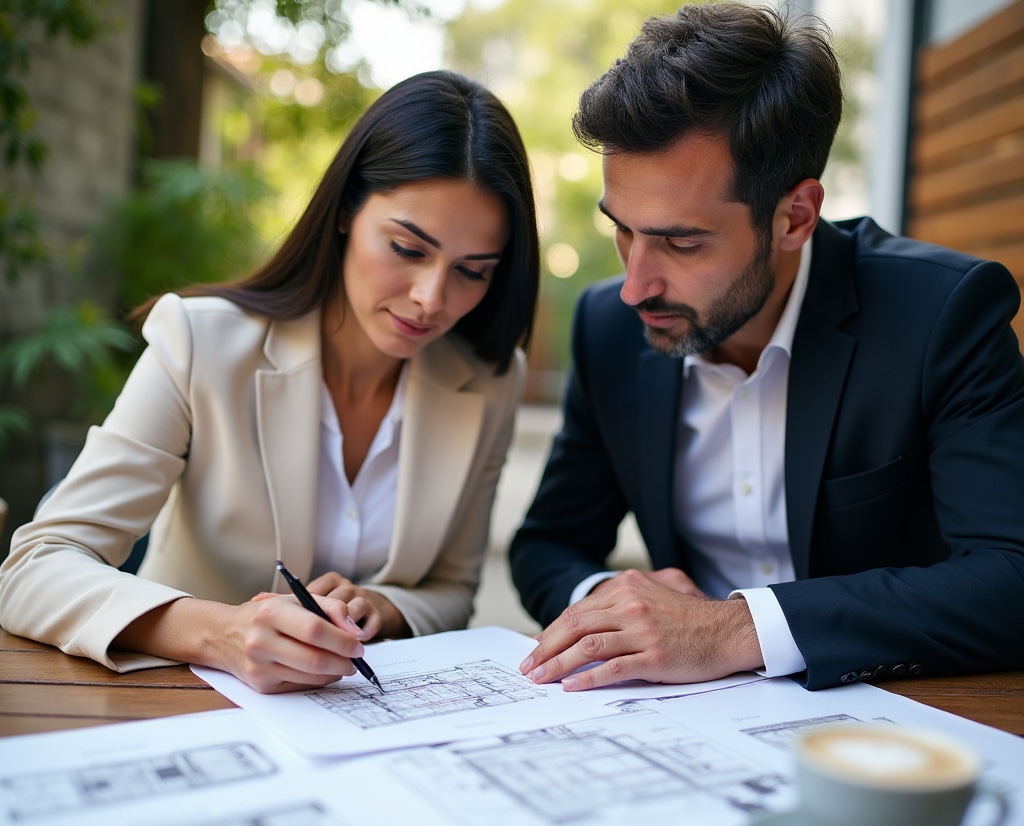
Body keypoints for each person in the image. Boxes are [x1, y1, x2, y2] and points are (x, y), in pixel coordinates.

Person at [511, 3, 1024, 693]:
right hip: (683, 722)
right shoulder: (607, 327)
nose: (634, 284)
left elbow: (1012, 575)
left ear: (795, 217)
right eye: (623, 230)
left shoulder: (939, 315)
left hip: (891, 721)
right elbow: (548, 544)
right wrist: (612, 607)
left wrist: (733, 630)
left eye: (681, 241)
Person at [0, 70, 539, 693]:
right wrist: (220, 632)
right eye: (407, 249)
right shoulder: (201, 342)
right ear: (344, 213)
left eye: (472, 271)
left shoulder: (490, 382)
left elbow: (452, 590)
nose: (431, 298)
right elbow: (35, 568)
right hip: (175, 703)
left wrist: (385, 608)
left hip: (364, 723)